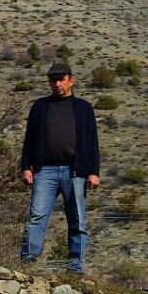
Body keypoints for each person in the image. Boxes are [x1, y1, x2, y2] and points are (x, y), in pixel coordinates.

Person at [19, 62, 100, 274]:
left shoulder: (84, 108)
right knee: (36, 217)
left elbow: (93, 143)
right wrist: (25, 167)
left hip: (76, 171)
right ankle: (28, 262)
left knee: (78, 221)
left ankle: (75, 267)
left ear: (70, 80)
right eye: (53, 80)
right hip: (44, 170)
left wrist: (94, 172)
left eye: (61, 79)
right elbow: (29, 139)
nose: (57, 84)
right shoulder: (40, 106)